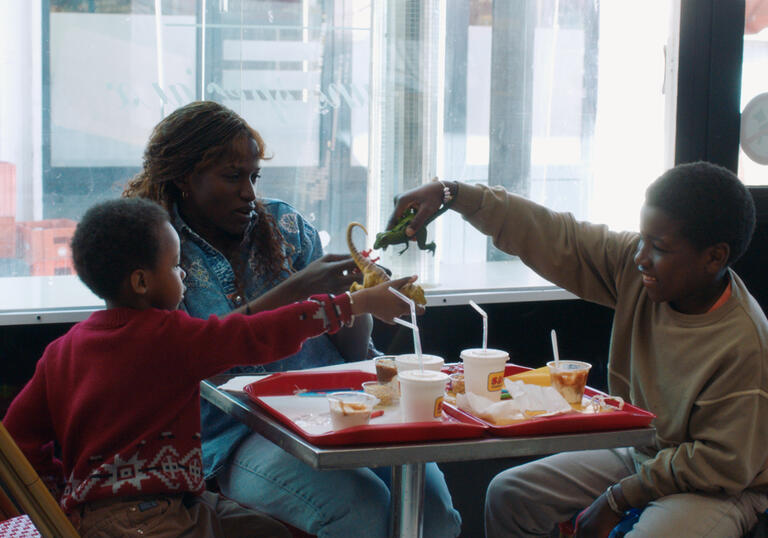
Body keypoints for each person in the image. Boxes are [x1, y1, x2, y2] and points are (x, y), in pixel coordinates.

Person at [122, 101, 461, 537]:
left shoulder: (285, 225)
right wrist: (301, 289)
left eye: (253, 176)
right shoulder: (162, 256)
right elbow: (201, 351)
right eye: (232, 177)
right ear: (184, 178)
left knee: (432, 508)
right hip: (235, 433)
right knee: (360, 510)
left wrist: (358, 295)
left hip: (339, 406)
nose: (249, 192)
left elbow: (352, 353)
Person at [387, 163, 768, 538]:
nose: (641, 257)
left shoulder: (743, 344)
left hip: (721, 487)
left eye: (660, 247)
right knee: (510, 495)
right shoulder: (640, 273)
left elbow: (720, 464)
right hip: (644, 453)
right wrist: (452, 194)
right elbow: (555, 234)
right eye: (641, 240)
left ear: (714, 257)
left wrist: (616, 499)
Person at [2, 197, 417, 537]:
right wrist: (355, 303)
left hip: (175, 504)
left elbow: (18, 437)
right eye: (176, 266)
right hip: (143, 524)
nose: (183, 274)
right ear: (142, 282)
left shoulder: (62, 350)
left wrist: (61, 497)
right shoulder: (170, 337)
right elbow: (255, 334)